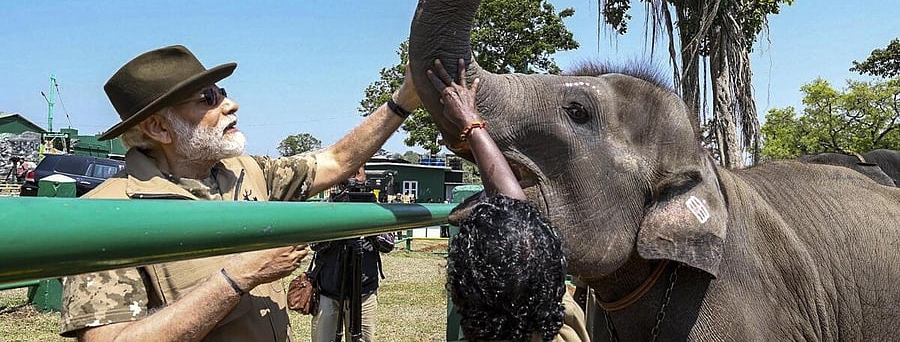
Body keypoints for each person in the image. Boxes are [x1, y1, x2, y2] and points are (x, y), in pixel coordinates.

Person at [59, 45, 419, 342]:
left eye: (224, 93)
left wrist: (404, 99)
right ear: (158, 127)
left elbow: (336, 161)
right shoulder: (104, 214)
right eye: (207, 99)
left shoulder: (249, 172)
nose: (231, 105)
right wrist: (238, 278)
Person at [428, 59, 589, 342]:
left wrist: (469, 126)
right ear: (553, 287)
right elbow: (516, 208)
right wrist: (473, 124)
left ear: (460, 294)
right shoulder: (565, 331)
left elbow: (515, 208)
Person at [308, 192, 395, 342]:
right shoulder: (327, 205)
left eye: (357, 173)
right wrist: (336, 218)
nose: (353, 179)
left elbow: (388, 244)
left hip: (364, 291)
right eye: (350, 174)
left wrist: (369, 221)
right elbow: (314, 243)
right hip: (328, 289)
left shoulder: (375, 207)